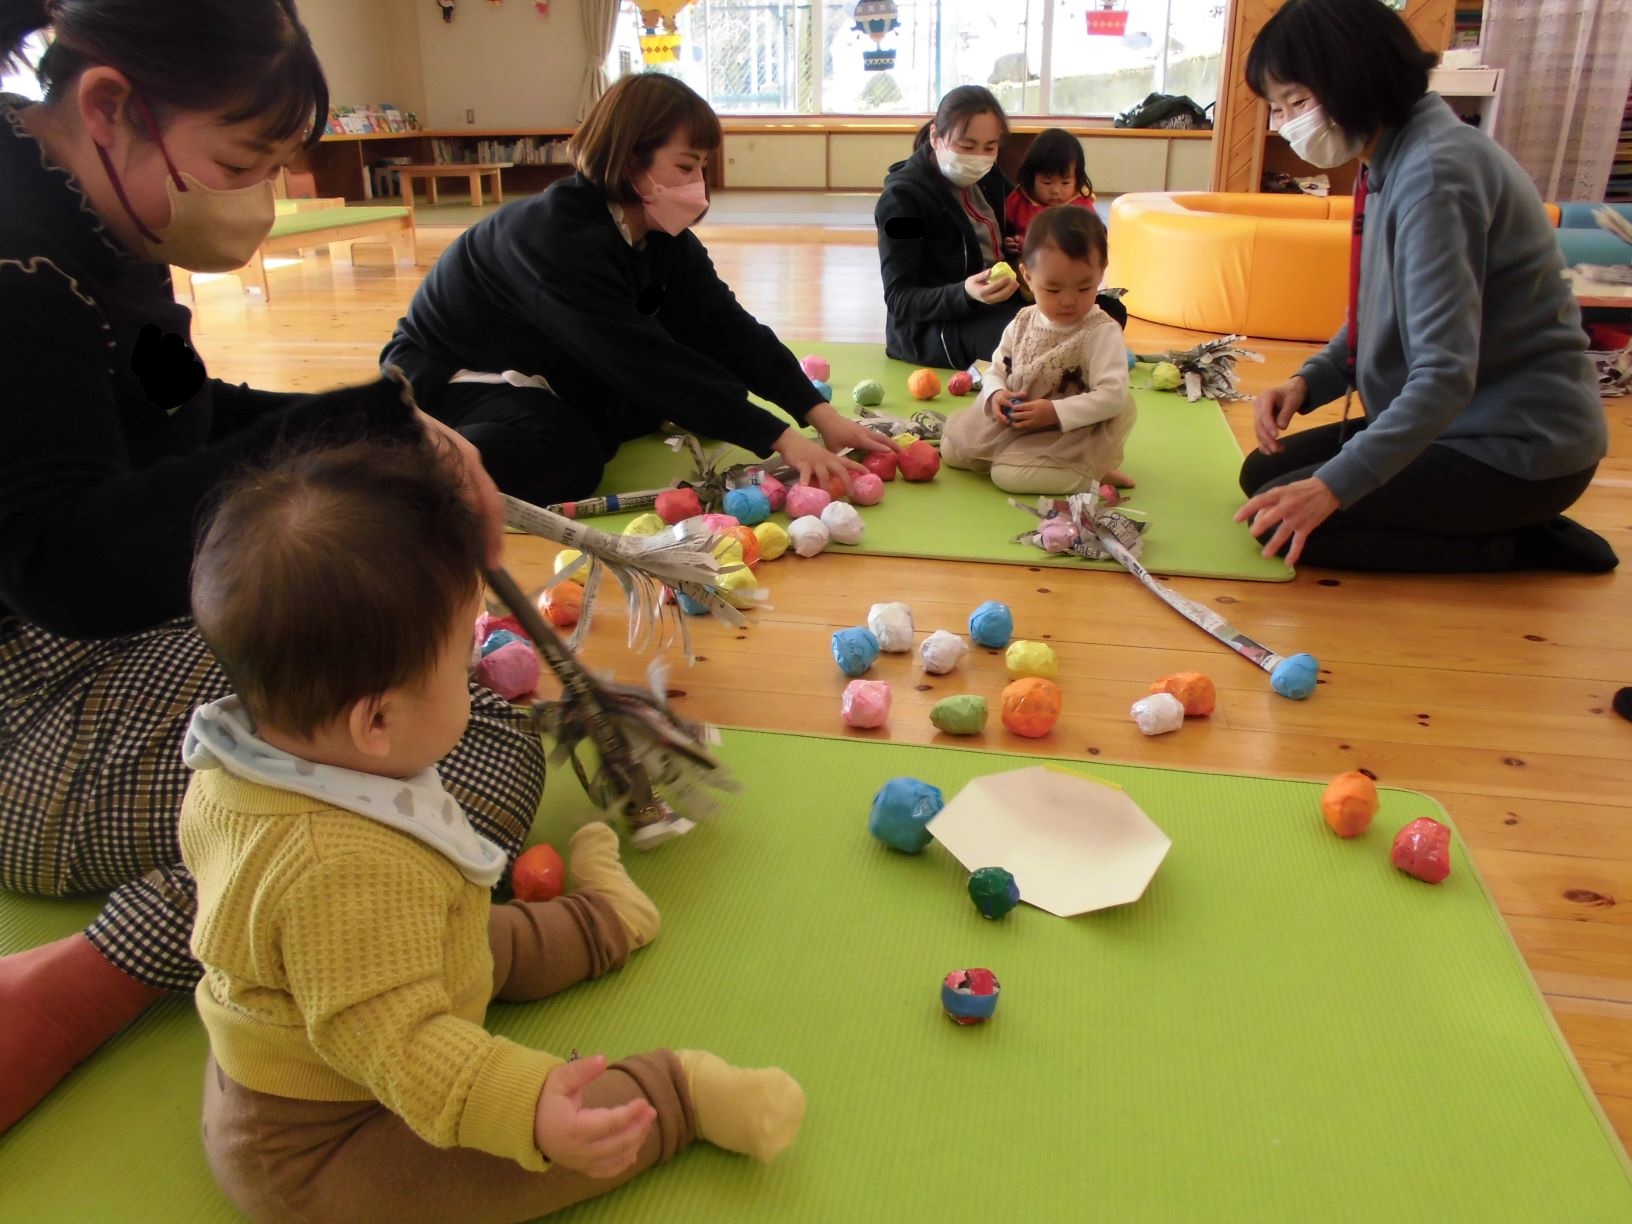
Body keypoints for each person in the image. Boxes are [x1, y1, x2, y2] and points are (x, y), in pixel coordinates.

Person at [0, 0, 545, 1134]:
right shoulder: (23, 268)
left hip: (93, 644)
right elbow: (67, 568)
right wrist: (363, 433)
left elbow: (183, 425)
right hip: (33, 718)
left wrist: (384, 425)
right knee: (472, 744)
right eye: (243, 163)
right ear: (110, 109)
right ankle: (121, 962)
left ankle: (271, 898)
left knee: (414, 673)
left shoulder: (87, 221)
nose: (262, 197)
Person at [183, 438, 804, 1222]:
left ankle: (605, 919)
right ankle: (677, 1095)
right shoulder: (334, 869)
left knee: (476, 938)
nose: (478, 672)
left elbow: (415, 943)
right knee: (486, 1165)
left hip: (379, 969)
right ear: (376, 720)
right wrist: (529, 1104)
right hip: (322, 1128)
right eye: (459, 660)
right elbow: (403, 1044)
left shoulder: (273, 752)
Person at [382, 73, 890, 506]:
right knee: (567, 457)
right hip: (450, 376)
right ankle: (403, 461)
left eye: (703, 169)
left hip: (544, 360)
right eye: (687, 167)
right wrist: (781, 439)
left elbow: (725, 327)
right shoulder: (553, 236)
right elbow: (637, 357)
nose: (701, 186)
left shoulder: (659, 235)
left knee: (701, 389)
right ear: (630, 162)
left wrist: (817, 413)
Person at [1234, 0, 1614, 572]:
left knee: (1297, 529)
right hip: (1463, 422)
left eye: (1298, 102)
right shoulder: (1389, 155)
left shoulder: (1436, 174)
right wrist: (1308, 382)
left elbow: (1444, 375)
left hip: (1517, 445)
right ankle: (1495, 519)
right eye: (1278, 107)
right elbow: (1374, 311)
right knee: (1263, 479)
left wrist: (1333, 488)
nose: (1286, 124)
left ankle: (1519, 541)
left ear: (1356, 77)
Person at [942, 206, 1137, 495]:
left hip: (1068, 431)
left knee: (1008, 477)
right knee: (951, 450)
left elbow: (1113, 396)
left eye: (1085, 288)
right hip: (1018, 421)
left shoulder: (1100, 331)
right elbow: (997, 367)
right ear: (1028, 276)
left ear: (1101, 273)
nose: (1069, 301)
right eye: (1053, 289)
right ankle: (1059, 466)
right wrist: (995, 393)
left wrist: (1055, 412)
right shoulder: (1023, 320)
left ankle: (1089, 470)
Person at [874, 85, 1022, 369]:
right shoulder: (902, 200)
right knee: (1036, 336)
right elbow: (900, 298)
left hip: (997, 307)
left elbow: (1019, 226)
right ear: (935, 137)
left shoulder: (989, 177)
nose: (979, 156)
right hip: (937, 327)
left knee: (1101, 313)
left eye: (990, 147)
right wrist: (965, 292)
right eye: (966, 146)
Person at [1004, 127, 1098, 246]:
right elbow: (1004, 231)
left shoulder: (1082, 209)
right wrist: (1010, 243)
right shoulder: (1019, 200)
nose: (1055, 191)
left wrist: (1029, 245)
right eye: (1047, 182)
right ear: (1031, 177)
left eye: (1065, 183)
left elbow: (1089, 244)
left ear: (1077, 179)